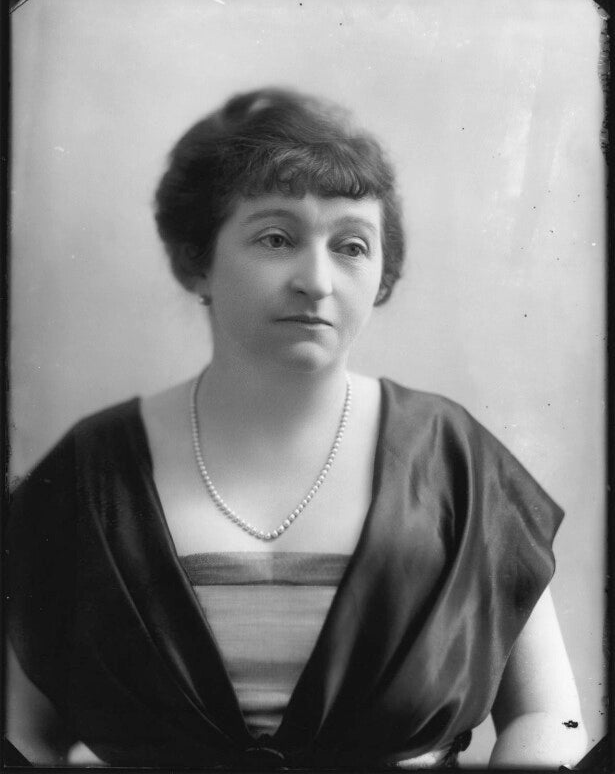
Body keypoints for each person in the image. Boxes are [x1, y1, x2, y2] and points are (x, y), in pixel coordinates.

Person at [6, 88, 587, 769]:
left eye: (351, 246)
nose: (316, 281)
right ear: (197, 259)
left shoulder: (454, 459)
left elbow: (548, 715)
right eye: (276, 239)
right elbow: (20, 729)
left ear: (382, 273)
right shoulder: (92, 471)